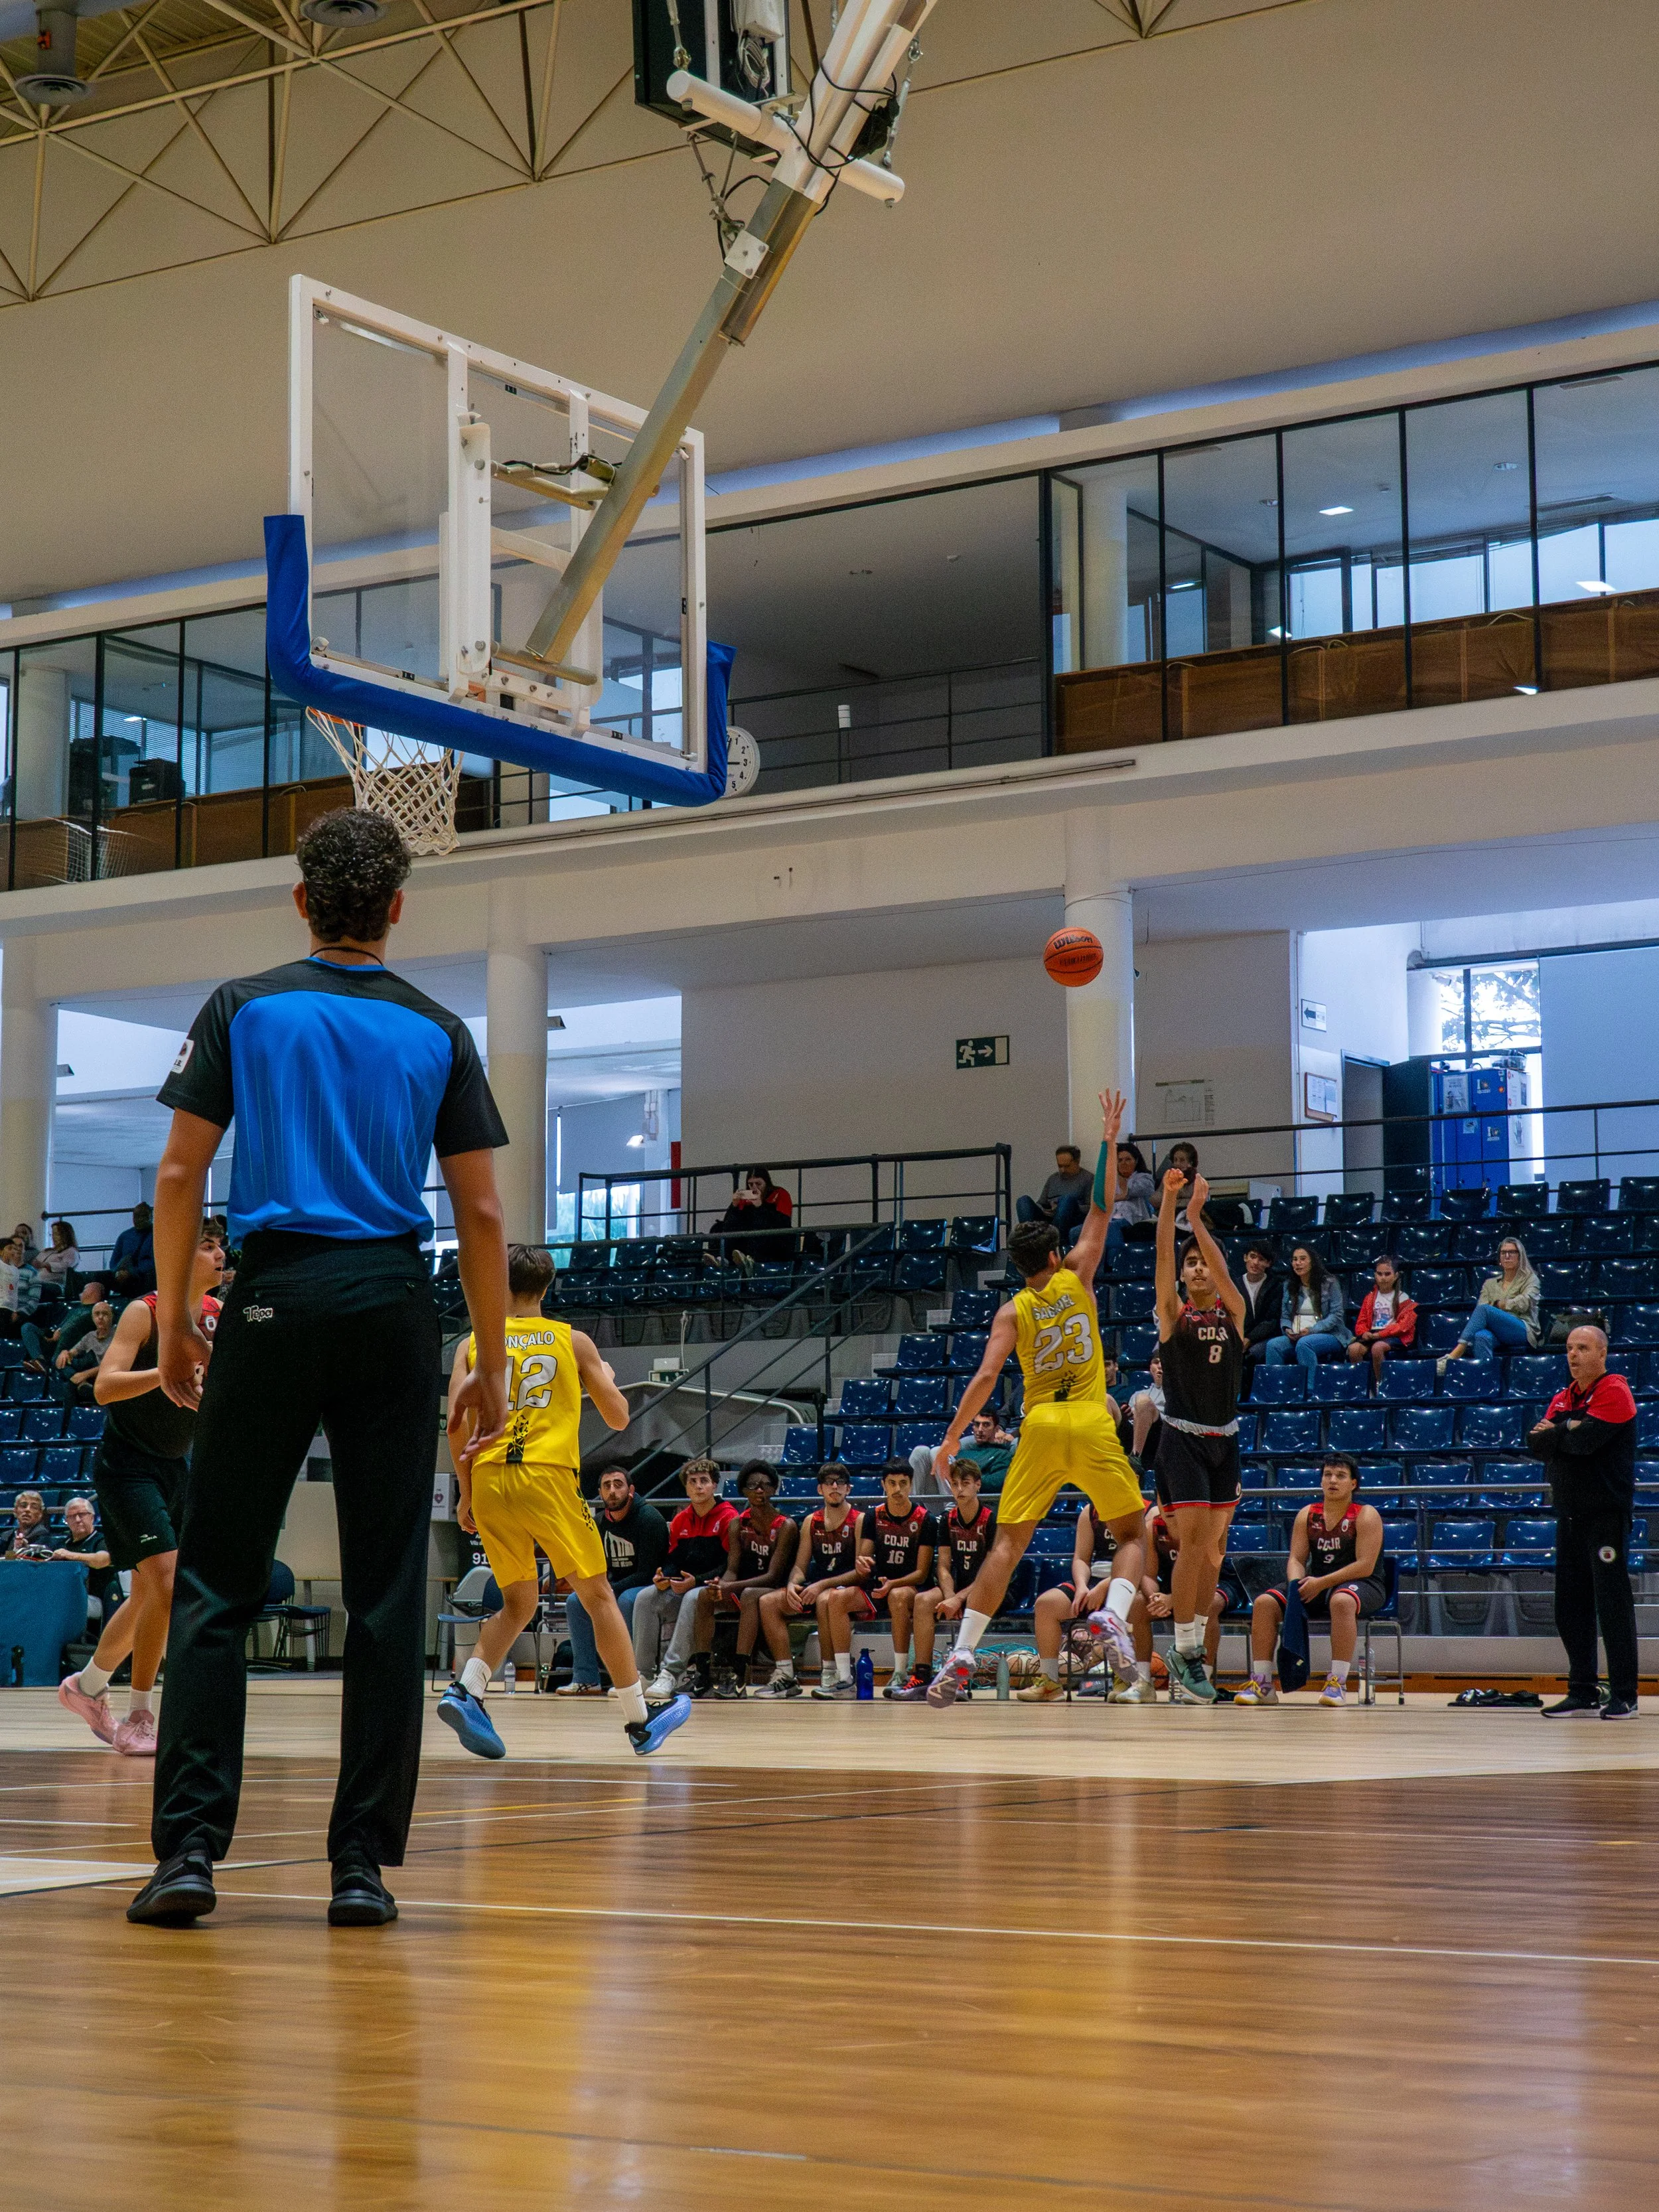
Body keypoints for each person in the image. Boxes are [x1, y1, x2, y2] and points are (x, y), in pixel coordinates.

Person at [127, 806, 512, 1933]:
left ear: (301, 900)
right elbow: (482, 1208)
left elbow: (176, 1177)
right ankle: (359, 1868)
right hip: (393, 1303)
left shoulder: (242, 1006)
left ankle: (190, 1854)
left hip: (273, 1294)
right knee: (390, 1590)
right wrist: (485, 1355)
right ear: (397, 906)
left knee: (213, 1583)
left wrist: (182, 1316)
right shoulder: (438, 1026)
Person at [927, 1090, 1145, 1708]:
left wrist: (951, 1438)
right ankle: (1114, 1617)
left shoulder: (1011, 1310)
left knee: (1006, 1544)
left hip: (1041, 1423)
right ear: (1054, 1254)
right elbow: (1102, 1205)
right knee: (1131, 1534)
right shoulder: (1078, 1273)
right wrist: (1108, 1140)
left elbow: (985, 1380)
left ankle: (965, 1649)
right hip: (1092, 1418)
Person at [440, 1245, 691, 1757]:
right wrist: (609, 1382)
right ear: (547, 1287)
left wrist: (466, 1491)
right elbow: (620, 1417)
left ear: (498, 1283)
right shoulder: (570, 1340)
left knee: (518, 1600)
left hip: (489, 1478)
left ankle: (468, 1688)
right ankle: (641, 1719)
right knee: (598, 1595)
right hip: (547, 1476)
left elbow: (454, 1424)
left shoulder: (473, 1344)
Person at [57, 1224, 225, 1759]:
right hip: (127, 1466)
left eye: (221, 1246)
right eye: (207, 1244)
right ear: (178, 1252)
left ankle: (85, 1688)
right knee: (167, 1584)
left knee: (154, 1592)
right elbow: (105, 1386)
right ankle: (141, 1714)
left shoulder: (216, 1317)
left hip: (179, 1465)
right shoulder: (143, 1311)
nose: (220, 1254)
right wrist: (166, 1371)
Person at [1147, 1166, 1249, 1703]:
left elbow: (1225, 1266)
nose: (1197, 1267)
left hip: (1225, 1439)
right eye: (1191, 1264)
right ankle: (1185, 1651)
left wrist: (1196, 1219)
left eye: (1203, 1261)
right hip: (1182, 1439)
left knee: (1211, 1554)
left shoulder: (1234, 1313)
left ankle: (1193, 1657)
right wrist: (1169, 1204)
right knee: (1190, 1546)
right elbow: (1164, 1257)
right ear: (1185, 1278)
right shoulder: (1173, 1315)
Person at [1527, 1323, 1639, 1720]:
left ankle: (1625, 1694)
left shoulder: (1614, 1389)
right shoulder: (1562, 1397)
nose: (1573, 1354)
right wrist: (1566, 1430)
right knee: (1569, 1606)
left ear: (1602, 1353)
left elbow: (1585, 1442)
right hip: (1570, 1515)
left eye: (1583, 1347)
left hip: (1605, 1515)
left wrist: (1561, 1433)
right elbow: (1537, 1444)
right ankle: (1582, 1691)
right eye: (1570, 1347)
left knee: (1612, 1604)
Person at [1237, 1455, 1386, 1707]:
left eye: (1340, 1476)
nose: (1332, 1480)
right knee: (1264, 1603)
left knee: (1341, 1600)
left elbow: (1365, 1565)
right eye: (1327, 1474)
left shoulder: (1366, 1515)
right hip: (1318, 1582)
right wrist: (1296, 1586)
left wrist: (1321, 1583)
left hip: (1365, 1583)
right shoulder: (1307, 1515)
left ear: (1353, 1484)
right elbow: (1296, 1558)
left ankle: (1337, 1683)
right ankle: (1262, 1683)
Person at [814, 1460, 932, 1700]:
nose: (897, 1488)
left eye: (903, 1483)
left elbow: (922, 1572)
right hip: (879, 1586)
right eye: (892, 1483)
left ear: (911, 1485)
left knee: (898, 1597)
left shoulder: (925, 1519)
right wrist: (862, 1563)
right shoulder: (873, 1516)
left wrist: (893, 1584)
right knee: (836, 1598)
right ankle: (845, 1679)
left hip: (910, 1587)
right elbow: (864, 1557)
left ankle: (900, 1673)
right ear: (883, 1485)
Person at [753, 1461, 865, 1698]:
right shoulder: (811, 1522)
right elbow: (800, 1566)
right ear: (820, 1490)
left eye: (840, 1483)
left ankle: (832, 1673)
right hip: (816, 1588)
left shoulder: (859, 1519)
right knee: (768, 1602)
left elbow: (860, 1571)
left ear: (849, 1489)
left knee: (826, 1598)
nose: (835, 1487)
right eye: (828, 1483)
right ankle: (785, 1676)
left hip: (846, 1588)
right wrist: (793, 1584)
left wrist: (821, 1584)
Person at [888, 1457, 997, 1699]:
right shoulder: (947, 1520)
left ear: (978, 1485)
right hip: (957, 1589)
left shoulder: (991, 1519)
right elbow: (944, 1567)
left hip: (990, 1589)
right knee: (923, 1601)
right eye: (954, 1484)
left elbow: (992, 1572)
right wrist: (949, 1596)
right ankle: (921, 1676)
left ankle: (956, 1680)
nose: (959, 1489)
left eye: (965, 1483)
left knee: (978, 1594)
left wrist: (958, 1599)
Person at [557, 1465, 670, 1696]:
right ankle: (586, 1678)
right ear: (600, 1492)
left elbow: (649, 1571)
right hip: (614, 1587)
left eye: (618, 1485)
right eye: (606, 1486)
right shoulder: (598, 1524)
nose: (612, 1491)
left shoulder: (649, 1519)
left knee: (627, 1600)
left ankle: (630, 1679)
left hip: (651, 1586)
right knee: (574, 1602)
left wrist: (609, 1591)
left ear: (631, 1490)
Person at [634, 1457, 739, 1697]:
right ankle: (644, 1674)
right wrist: (665, 1576)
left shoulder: (729, 1517)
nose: (699, 1486)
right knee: (645, 1597)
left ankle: (671, 1673)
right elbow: (674, 1561)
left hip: (717, 1590)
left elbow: (729, 1566)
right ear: (686, 1486)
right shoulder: (681, 1519)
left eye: (704, 1481)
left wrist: (697, 1581)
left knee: (693, 1597)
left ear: (715, 1485)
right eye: (693, 1481)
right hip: (687, 1587)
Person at [697, 1460, 796, 1696]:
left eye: (765, 1485)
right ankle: (701, 1672)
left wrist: (733, 1585)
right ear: (743, 1490)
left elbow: (773, 1576)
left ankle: (738, 1673)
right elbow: (732, 1569)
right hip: (745, 1587)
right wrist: (721, 1585)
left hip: (776, 1590)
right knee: (704, 1596)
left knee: (751, 1596)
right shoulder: (736, 1524)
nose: (759, 1490)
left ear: (774, 1489)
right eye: (753, 1485)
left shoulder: (786, 1525)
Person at [1019, 1499, 1131, 1704]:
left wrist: (1105, 1587)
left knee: (1134, 1604)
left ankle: (1124, 1679)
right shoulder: (1091, 1511)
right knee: (1046, 1605)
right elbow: (1081, 1558)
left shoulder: (1141, 1510)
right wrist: (1081, 1587)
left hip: (1127, 1580)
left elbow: (1141, 1563)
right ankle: (1050, 1682)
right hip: (1093, 1581)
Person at [1443, 1237, 1542, 1366]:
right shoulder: (1489, 1284)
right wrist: (1501, 1307)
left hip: (1522, 1329)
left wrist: (1498, 1305)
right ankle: (1486, 1376)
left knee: (1485, 1310)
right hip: (1495, 1331)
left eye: (1512, 1252)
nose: (1507, 1256)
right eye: (1503, 1252)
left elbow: (1524, 1303)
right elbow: (1481, 1311)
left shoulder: (1531, 1279)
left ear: (1520, 1256)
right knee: (1481, 1336)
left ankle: (1458, 1351)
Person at [1263, 1243, 1348, 1369]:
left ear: (1312, 1262)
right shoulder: (1289, 1285)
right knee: (1273, 1345)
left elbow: (1336, 1315)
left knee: (1305, 1344)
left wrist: (1311, 1331)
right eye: (1295, 1260)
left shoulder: (1330, 1283)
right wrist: (1287, 1329)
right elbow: (1285, 1316)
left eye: (1303, 1259)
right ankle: (1275, 1388)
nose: (1298, 1263)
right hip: (1298, 1334)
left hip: (1331, 1334)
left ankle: (1310, 1388)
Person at [52, 1495, 117, 1635]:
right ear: (67, 1521)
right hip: (65, 1594)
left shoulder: (102, 1540)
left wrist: (69, 1555)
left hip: (96, 1599)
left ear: (92, 1517)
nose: (77, 1520)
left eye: (82, 1515)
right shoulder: (63, 1544)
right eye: (72, 1516)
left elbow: (102, 1560)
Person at [1346, 1255, 1417, 1382]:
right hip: (1373, 1334)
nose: (1383, 1278)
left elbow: (1403, 1326)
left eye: (1387, 1274)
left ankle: (1380, 1383)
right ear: (1375, 1276)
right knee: (1354, 1349)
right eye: (1380, 1274)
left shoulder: (1403, 1298)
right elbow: (1361, 1321)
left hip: (1394, 1336)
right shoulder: (1370, 1298)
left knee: (1378, 1348)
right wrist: (1364, 1333)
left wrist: (1381, 1335)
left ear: (1396, 1276)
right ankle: (1363, 1385)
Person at [22, 1278, 106, 1376]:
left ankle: (47, 1367)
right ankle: (41, 1361)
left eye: (85, 1289)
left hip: (71, 1347)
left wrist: (62, 1333)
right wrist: (53, 1337)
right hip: (56, 1342)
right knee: (28, 1328)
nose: (82, 1291)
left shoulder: (96, 1312)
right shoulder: (75, 1310)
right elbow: (62, 1327)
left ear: (93, 1292)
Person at [709, 1169, 793, 1266]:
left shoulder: (780, 1194)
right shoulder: (745, 1198)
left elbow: (784, 1223)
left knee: (758, 1229)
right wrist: (734, 1206)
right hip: (746, 1238)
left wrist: (760, 1206)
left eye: (758, 1184)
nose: (755, 1188)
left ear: (766, 1182)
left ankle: (749, 1260)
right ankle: (724, 1259)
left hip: (771, 1238)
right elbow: (728, 1222)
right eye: (751, 1184)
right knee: (721, 1227)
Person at [1017, 1144, 1094, 1246]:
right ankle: (1029, 1241)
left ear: (1077, 1161)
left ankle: (1057, 1242)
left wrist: (1063, 1206)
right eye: (1060, 1166)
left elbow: (1091, 1208)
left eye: (1067, 1166)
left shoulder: (1088, 1179)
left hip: (1071, 1218)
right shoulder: (1053, 1179)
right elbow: (1040, 1203)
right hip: (1049, 1218)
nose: (1062, 1170)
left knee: (1067, 1200)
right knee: (1023, 1201)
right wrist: (1044, 1209)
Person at [1105, 1140, 1156, 1266]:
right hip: (1109, 1217)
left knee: (1112, 1228)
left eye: (1128, 1159)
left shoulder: (1144, 1178)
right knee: (1075, 1232)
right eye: (1120, 1160)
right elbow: (1103, 1199)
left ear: (1136, 1161)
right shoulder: (1111, 1180)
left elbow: (1126, 1193)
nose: (1123, 1163)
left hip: (1133, 1218)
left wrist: (1121, 1194)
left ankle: (1113, 1266)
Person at [56, 1299, 115, 1404]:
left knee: (91, 1357)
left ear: (111, 1317)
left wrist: (84, 1375)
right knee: (62, 1362)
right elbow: (73, 1352)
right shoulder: (90, 1336)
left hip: (108, 1378)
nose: (100, 1317)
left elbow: (113, 1365)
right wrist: (65, 1353)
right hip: (90, 1379)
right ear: (93, 1318)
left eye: (105, 1314)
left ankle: (81, 1383)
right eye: (97, 1314)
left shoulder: (118, 1335)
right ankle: (69, 1418)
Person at [1237, 1242, 1283, 1364]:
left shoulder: (1276, 1285)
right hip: (1240, 1336)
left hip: (1265, 1338)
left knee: (1252, 1355)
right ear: (1245, 1258)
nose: (1256, 1263)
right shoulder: (1234, 1285)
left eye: (1261, 1259)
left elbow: (1272, 1320)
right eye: (1252, 1257)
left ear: (1268, 1263)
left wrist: (1250, 1339)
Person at [108, 1203, 155, 1297]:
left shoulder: (157, 1235)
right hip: (124, 1275)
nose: (140, 1219)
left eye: (144, 1216)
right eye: (137, 1216)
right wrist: (118, 1273)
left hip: (145, 1277)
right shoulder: (125, 1236)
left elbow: (154, 1262)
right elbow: (114, 1261)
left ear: (151, 1216)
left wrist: (132, 1272)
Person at [1127, 1352, 1164, 1463]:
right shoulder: (1138, 1394)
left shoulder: (1179, 1394)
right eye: (1156, 1362)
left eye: (1164, 1362)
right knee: (1107, 1399)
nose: (1160, 1366)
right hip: (1136, 1431)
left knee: (1143, 1401)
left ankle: (1135, 1458)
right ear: (1150, 1368)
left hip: (1162, 1435)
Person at [5, 1489, 52, 1558]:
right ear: (15, 1511)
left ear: (40, 1514)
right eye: (23, 1506)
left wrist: (17, 1551)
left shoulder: (45, 1538)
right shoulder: (6, 1537)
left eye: (34, 1507)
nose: (27, 1510)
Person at [35, 1219, 79, 1289]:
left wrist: (47, 1265)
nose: (54, 1237)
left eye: (57, 1234)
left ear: (66, 1235)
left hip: (55, 1286)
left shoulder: (71, 1252)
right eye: (53, 1234)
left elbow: (66, 1267)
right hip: (39, 1283)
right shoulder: (47, 1252)